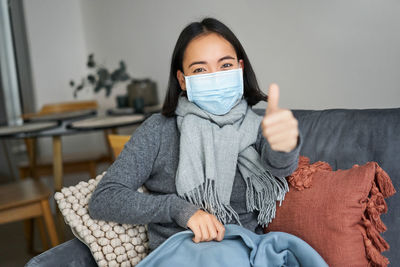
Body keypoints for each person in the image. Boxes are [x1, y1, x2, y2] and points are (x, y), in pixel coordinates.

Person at [88, 17, 301, 254]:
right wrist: (179, 209)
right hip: (181, 254)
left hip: (246, 251)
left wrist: (285, 147)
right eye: (200, 69)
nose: (215, 76)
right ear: (182, 80)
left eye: (225, 65)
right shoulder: (158, 130)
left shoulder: (261, 126)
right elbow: (105, 199)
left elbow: (280, 169)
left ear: (240, 68)